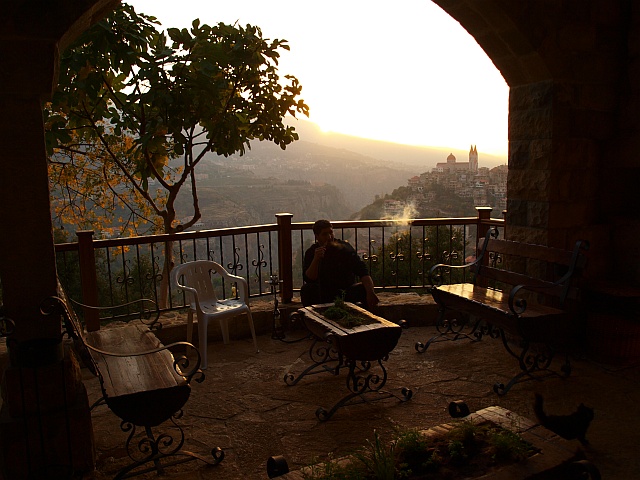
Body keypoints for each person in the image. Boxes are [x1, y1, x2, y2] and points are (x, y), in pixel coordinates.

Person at [301, 219, 379, 309]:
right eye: (324, 234)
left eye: (331, 232)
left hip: (345, 292)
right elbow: (309, 278)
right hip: (323, 294)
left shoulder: (344, 248)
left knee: (363, 289)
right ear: (317, 236)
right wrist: (316, 259)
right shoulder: (312, 252)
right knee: (306, 290)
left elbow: (362, 271)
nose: (329, 237)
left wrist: (370, 292)